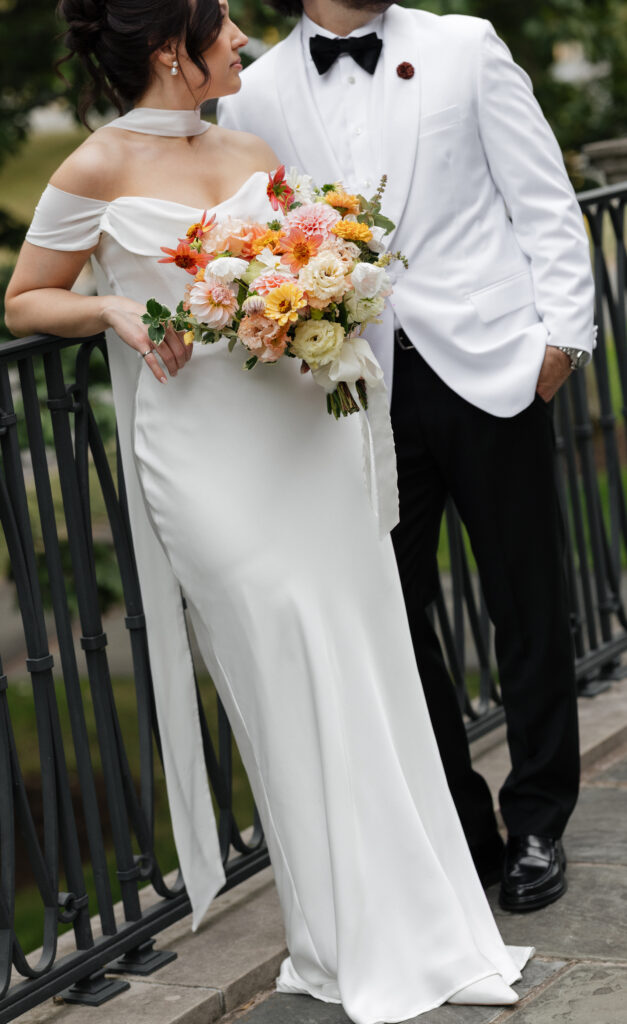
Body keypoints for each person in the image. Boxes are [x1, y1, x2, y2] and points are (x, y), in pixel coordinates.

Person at [5, 1, 536, 1020]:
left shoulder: (248, 147)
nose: (242, 36)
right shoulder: (96, 166)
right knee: (280, 673)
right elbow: (27, 297)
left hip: (307, 441)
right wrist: (112, 305)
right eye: (222, 25)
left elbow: (310, 257)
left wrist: (337, 288)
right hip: (208, 463)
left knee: (366, 665)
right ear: (173, 53)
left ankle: (422, 924)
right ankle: (335, 937)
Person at [218, 0, 596, 912]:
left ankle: (538, 819)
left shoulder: (464, 45)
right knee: (394, 615)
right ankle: (461, 829)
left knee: (526, 599)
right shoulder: (255, 93)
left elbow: (542, 196)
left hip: (496, 367)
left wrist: (562, 339)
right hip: (358, 390)